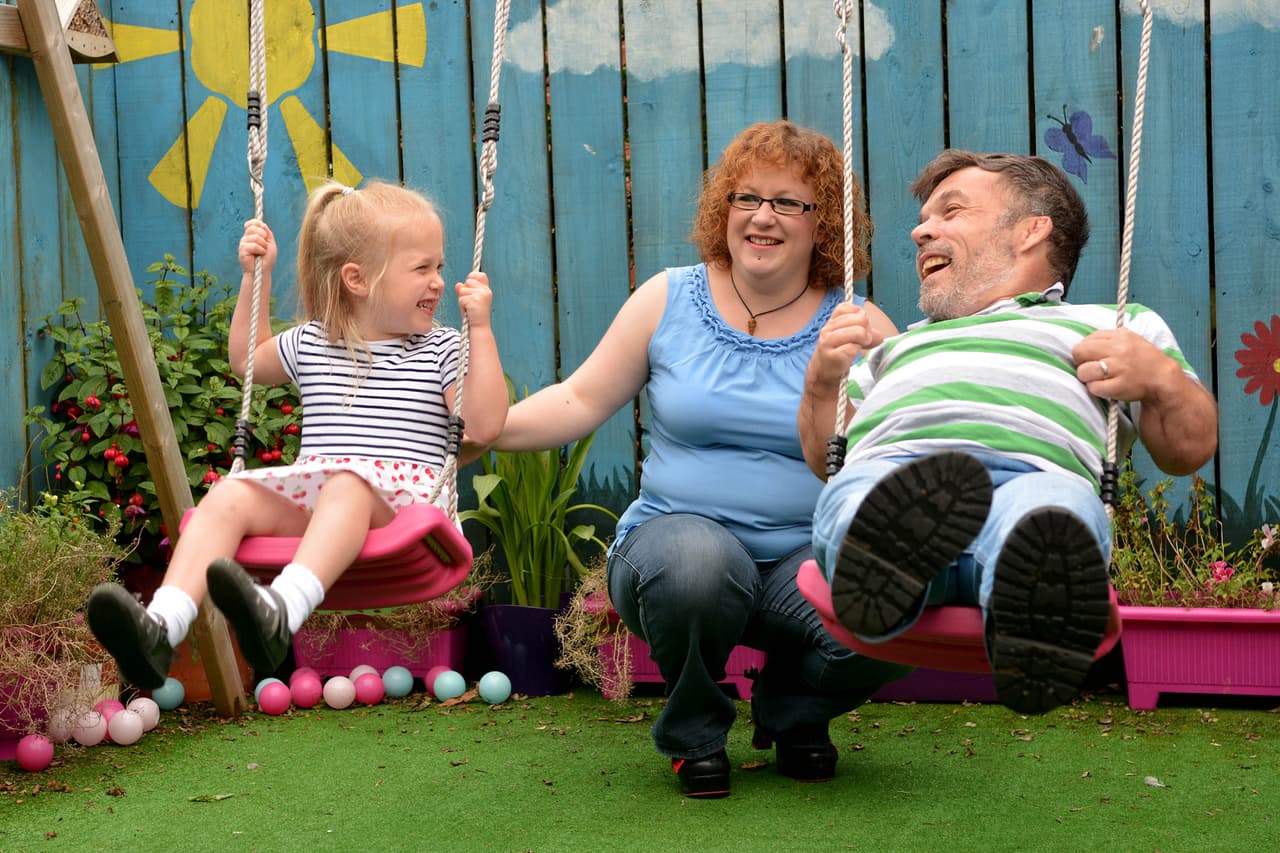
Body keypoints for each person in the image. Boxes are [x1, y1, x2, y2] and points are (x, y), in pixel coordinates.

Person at [487, 120, 908, 798]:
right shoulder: (670, 297)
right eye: (746, 198)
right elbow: (578, 399)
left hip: (801, 559)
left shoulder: (856, 325)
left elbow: (912, 436)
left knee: (888, 606)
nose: (762, 217)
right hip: (673, 550)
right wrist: (488, 429)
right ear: (724, 208)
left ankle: (793, 709)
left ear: (823, 222)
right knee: (699, 564)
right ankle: (695, 733)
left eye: (787, 202)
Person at [802, 150, 1218, 715]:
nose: (922, 230)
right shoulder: (895, 347)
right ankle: (882, 557)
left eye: (951, 211)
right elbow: (824, 458)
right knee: (858, 493)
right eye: (924, 220)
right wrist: (822, 385)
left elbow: (1187, 452)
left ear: (1031, 230)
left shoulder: (1113, 328)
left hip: (1037, 479)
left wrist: (1163, 381)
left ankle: (1030, 618)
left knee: (1050, 515)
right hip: (897, 477)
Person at [87, 180, 508, 688]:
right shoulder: (313, 341)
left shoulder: (440, 348)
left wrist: (479, 332)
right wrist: (253, 279)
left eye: (439, 267)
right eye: (422, 269)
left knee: (347, 485)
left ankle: (280, 611)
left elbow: (484, 425)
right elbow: (247, 360)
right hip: (321, 502)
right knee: (228, 495)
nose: (439, 282)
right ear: (357, 279)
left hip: (407, 510)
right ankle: (161, 626)